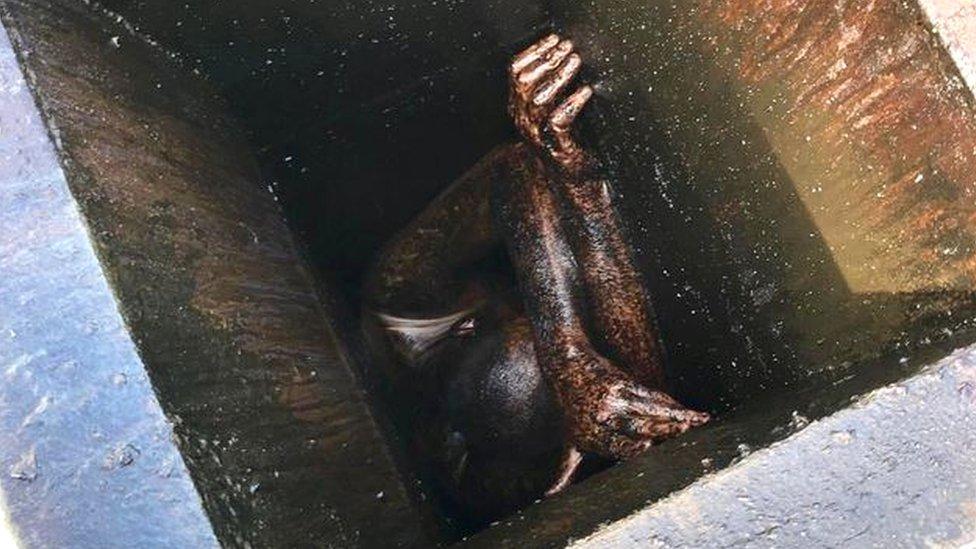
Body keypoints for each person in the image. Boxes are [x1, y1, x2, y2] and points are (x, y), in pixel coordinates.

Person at [363, 34, 709, 520]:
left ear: (470, 326)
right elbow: (642, 386)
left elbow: (514, 171)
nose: (554, 281)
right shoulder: (550, 481)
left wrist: (567, 349)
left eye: (532, 316)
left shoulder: (399, 302)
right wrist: (581, 191)